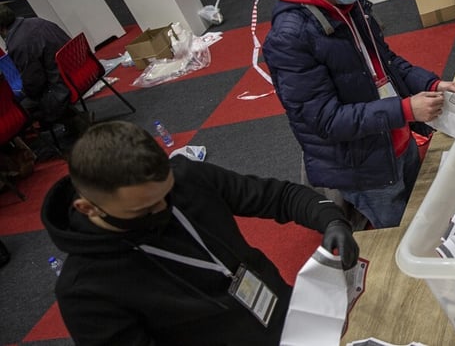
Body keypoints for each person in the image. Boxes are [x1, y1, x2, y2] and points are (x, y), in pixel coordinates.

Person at [40, 121, 360, 346]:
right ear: (87, 208)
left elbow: (278, 196)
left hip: (289, 312)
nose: (163, 209)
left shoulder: (187, 178)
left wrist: (330, 219)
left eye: (166, 194)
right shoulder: (85, 291)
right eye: (144, 208)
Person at [262, 0, 455, 229]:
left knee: (426, 214)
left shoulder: (350, 3)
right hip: (363, 167)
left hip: (396, 136)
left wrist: (432, 83)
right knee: (402, 233)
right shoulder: (290, 37)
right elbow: (326, 120)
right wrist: (405, 109)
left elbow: (385, 62)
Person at [0, 4, 85, 133]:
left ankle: (74, 121)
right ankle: (73, 121)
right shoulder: (37, 21)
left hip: (60, 88)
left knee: (15, 110)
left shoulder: (18, 43)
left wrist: (20, 94)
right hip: (79, 72)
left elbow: (34, 85)